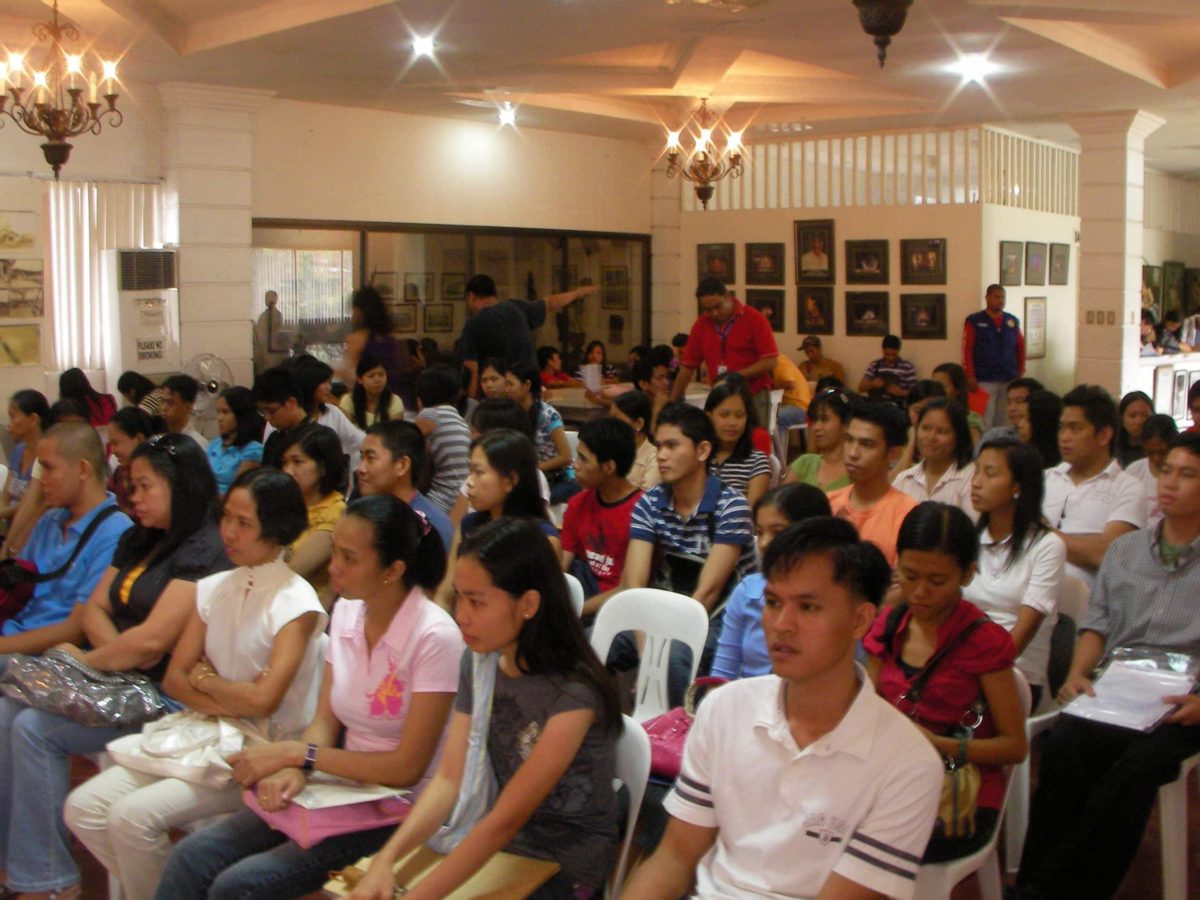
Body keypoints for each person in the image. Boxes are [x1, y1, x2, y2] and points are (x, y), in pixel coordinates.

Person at [155, 494, 462, 900]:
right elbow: (326, 720)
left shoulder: (434, 636)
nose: (333, 567)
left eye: (349, 559)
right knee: (193, 855)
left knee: (240, 886)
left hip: (401, 808)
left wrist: (298, 756)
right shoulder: (349, 611)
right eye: (334, 551)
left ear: (393, 570)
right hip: (342, 787)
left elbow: (406, 767)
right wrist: (299, 770)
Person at [623, 518, 943, 900]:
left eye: (808, 606)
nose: (781, 625)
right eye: (773, 602)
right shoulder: (725, 709)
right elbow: (674, 858)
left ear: (860, 620)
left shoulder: (908, 764)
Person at [63, 468, 326, 900]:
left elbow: (265, 700)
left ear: (277, 530)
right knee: (84, 808)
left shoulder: (295, 602)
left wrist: (208, 681)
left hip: (260, 747)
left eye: (244, 523)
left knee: (131, 818)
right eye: (226, 517)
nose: (229, 531)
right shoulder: (215, 588)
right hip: (201, 730)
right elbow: (176, 677)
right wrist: (225, 691)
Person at [0, 431, 229, 897]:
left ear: (179, 486)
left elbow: (152, 644)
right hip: (117, 678)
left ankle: (50, 881)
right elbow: (95, 611)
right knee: (7, 711)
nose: (135, 498)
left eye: (145, 487)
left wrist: (86, 658)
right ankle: (28, 864)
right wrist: (104, 657)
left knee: (32, 728)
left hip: (163, 695)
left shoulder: (204, 548)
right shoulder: (140, 537)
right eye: (132, 487)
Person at [345, 517, 622, 900]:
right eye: (459, 596)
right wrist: (385, 860)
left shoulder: (573, 695)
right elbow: (448, 779)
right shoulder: (480, 661)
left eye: (476, 601)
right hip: (494, 838)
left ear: (528, 604)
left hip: (563, 864)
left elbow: (506, 821)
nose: (462, 614)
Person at [1016, 432, 1200, 899]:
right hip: (1116, 687)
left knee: (1136, 768)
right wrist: (1078, 673)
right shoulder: (1127, 551)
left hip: (1184, 700)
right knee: (1064, 747)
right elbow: (1095, 625)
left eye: (1188, 474)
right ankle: (1041, 882)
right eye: (1168, 471)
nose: (1170, 482)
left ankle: (1049, 890)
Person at [864, 502, 1027, 862]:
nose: (920, 592)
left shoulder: (985, 642)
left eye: (937, 581)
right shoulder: (889, 625)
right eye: (909, 575)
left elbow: (1015, 747)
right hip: (891, 776)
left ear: (967, 574)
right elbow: (867, 704)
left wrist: (938, 744)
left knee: (855, 837)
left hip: (957, 795)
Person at [620, 403, 756, 701]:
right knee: (594, 641)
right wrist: (647, 655)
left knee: (674, 656)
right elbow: (634, 584)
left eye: (672, 445)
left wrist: (658, 656)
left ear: (703, 450)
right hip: (667, 606)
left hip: (719, 616)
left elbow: (708, 592)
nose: (661, 455)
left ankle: (681, 732)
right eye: (658, 446)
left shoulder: (730, 506)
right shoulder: (650, 503)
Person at [0, 423, 133, 657]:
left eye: (48, 469)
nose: (42, 481)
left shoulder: (116, 532)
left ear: (83, 469)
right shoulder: (50, 520)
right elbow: (15, 586)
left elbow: (76, 630)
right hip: (13, 636)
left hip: (47, 658)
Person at [966, 437, 1065, 708]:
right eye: (976, 470)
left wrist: (970, 673)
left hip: (1015, 672)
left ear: (1017, 487)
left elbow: (1020, 636)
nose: (975, 482)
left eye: (990, 473)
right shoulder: (969, 540)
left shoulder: (1047, 547)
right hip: (963, 663)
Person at [710, 483, 831, 680]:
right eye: (759, 532)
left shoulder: (835, 597)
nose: (765, 543)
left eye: (778, 531)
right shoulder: (747, 591)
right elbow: (722, 675)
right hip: (746, 703)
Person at [438, 428, 561, 606]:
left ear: (510, 480)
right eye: (470, 471)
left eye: (479, 472)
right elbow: (447, 590)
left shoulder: (544, 540)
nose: (469, 482)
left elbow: (541, 611)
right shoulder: (469, 526)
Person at [1042, 384, 1146, 588]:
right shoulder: (1043, 479)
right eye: (1061, 428)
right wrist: (1082, 543)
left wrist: (1041, 533)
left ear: (1103, 435)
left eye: (1075, 428)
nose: (1064, 437)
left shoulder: (1128, 487)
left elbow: (1106, 552)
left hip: (1088, 602)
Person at [459, 274, 596, 398]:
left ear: (471, 296)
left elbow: (471, 368)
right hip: (529, 390)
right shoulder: (517, 307)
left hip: (501, 396)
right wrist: (577, 293)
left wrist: (471, 404)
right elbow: (550, 302)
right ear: (494, 294)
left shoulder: (473, 324)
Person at [671, 278, 779, 428]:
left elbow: (770, 361)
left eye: (718, 306)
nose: (714, 313)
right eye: (707, 310)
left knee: (754, 443)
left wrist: (736, 376)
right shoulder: (701, 325)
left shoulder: (754, 319)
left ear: (728, 297)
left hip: (753, 394)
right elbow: (687, 367)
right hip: (721, 396)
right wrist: (672, 401)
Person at [560, 417, 642, 611]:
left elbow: (628, 588)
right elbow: (563, 564)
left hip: (621, 606)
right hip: (582, 592)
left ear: (609, 467)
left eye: (583, 458)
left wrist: (575, 614)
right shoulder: (578, 503)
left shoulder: (641, 512)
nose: (575, 464)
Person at [826, 399, 920, 566]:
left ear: (893, 454)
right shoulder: (828, 504)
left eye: (867, 445)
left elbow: (902, 585)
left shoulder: (907, 515)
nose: (853, 453)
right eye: (849, 440)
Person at [357, 419, 454, 551]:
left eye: (371, 458)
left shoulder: (433, 526)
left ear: (402, 465)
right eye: (361, 457)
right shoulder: (360, 513)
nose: (360, 468)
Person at [281, 424, 347, 607]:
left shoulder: (334, 512)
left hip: (306, 608)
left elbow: (291, 573)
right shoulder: (287, 502)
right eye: (285, 462)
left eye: (297, 462)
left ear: (323, 467)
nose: (288, 471)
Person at [505, 360, 579, 505]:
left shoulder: (548, 414)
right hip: (527, 478)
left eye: (510, 384)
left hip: (556, 479)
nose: (506, 389)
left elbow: (566, 457)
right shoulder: (512, 414)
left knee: (528, 502)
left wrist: (532, 469)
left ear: (526, 385)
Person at [892, 398, 977, 519]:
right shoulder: (904, 480)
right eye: (925, 428)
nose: (931, 437)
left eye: (941, 431)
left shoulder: (972, 479)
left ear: (959, 436)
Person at [339, 285, 421, 411]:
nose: (352, 315)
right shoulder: (395, 338)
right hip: (401, 402)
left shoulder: (358, 338)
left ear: (360, 311)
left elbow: (351, 376)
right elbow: (406, 370)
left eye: (353, 310)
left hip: (374, 404)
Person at [962, 284, 1025, 429]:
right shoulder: (975, 321)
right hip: (984, 378)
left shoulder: (1011, 321)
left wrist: (1020, 371)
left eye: (1003, 297)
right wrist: (970, 374)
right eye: (997, 297)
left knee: (1005, 417)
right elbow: (967, 348)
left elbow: (1020, 347)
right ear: (987, 298)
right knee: (985, 418)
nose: (1000, 301)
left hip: (1008, 376)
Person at [292, 354, 365, 477]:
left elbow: (358, 439)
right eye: (324, 383)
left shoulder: (333, 413)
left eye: (329, 382)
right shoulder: (290, 416)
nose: (329, 388)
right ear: (310, 384)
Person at [415, 364, 473, 514]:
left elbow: (408, 444)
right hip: (462, 496)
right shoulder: (456, 417)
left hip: (442, 499)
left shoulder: (430, 415)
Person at [704, 378, 770, 507]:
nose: (732, 423)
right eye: (724, 415)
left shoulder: (756, 461)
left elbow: (749, 514)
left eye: (739, 415)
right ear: (709, 416)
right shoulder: (697, 457)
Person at [785, 386, 851, 492]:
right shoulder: (804, 463)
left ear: (845, 424)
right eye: (815, 420)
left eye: (824, 419)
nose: (816, 427)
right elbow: (779, 505)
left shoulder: (857, 472)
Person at [1, 388, 48, 526]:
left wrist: (4, 512)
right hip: (11, 525)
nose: (9, 424)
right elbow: (6, 495)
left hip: (34, 528)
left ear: (33, 419)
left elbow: (34, 504)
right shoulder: (19, 450)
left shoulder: (47, 456)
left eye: (13, 416)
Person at [205, 385, 264, 494]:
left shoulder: (253, 450)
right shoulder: (215, 444)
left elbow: (237, 490)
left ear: (241, 415)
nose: (220, 418)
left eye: (225, 412)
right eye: (218, 412)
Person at [1125, 413, 1178, 531]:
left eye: (1162, 452)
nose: (1156, 459)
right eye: (1150, 453)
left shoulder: (1181, 473)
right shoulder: (1134, 471)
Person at [255, 366, 310, 470]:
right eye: (262, 412)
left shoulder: (318, 438)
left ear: (291, 403)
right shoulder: (274, 439)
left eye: (272, 411)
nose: (267, 418)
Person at [108, 406, 157, 516]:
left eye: (116, 443)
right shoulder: (119, 474)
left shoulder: (158, 474)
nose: (113, 450)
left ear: (139, 439)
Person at [611, 389, 661, 491]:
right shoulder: (609, 451)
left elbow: (644, 499)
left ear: (638, 423)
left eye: (616, 420)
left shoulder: (654, 459)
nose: (610, 425)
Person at [341, 351, 405, 429]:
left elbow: (394, 433)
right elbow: (345, 433)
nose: (377, 380)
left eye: (381, 375)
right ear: (359, 379)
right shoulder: (348, 400)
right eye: (371, 376)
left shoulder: (394, 400)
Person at [979, 376, 1043, 445]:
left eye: (1019, 401)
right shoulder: (994, 436)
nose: (1012, 408)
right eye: (1009, 403)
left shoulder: (1048, 439)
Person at [931, 362, 984, 443]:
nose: (935, 390)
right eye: (933, 385)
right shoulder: (929, 415)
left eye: (942, 386)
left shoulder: (970, 420)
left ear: (957, 390)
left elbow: (972, 451)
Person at [858, 334, 916, 406]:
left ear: (898, 351)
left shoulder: (907, 367)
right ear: (882, 350)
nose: (890, 358)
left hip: (897, 406)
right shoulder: (874, 365)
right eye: (887, 354)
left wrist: (901, 392)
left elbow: (915, 394)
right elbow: (860, 388)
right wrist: (872, 384)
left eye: (893, 354)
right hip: (876, 405)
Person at [161, 374, 209, 449]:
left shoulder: (199, 445)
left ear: (189, 406)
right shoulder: (160, 442)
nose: (163, 408)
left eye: (170, 403)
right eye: (162, 401)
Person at [253, 289, 290, 374]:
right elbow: (260, 332)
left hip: (275, 350)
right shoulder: (264, 316)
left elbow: (277, 330)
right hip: (265, 349)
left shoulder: (277, 315)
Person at [1114, 389, 1154, 468]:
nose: (1139, 421)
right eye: (1132, 416)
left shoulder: (1158, 450)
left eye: (1145, 416)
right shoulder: (1111, 450)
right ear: (1121, 418)